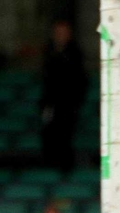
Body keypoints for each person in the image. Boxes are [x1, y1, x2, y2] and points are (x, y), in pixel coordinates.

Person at [40, 20, 87, 172]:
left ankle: (66, 171)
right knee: (49, 137)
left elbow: (80, 80)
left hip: (69, 104)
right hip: (51, 104)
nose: (60, 35)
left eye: (63, 32)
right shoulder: (48, 51)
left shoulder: (75, 53)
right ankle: (50, 169)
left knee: (65, 138)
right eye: (58, 32)